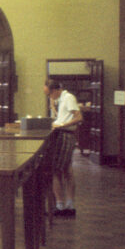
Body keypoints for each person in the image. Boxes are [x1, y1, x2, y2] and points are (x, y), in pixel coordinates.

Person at [43, 79, 83, 217]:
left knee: (57, 170)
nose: (49, 97)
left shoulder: (68, 98)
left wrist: (62, 126)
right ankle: (67, 205)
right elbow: (62, 116)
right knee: (66, 170)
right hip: (63, 134)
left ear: (54, 91)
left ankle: (61, 205)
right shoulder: (63, 99)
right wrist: (53, 107)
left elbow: (78, 117)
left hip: (65, 135)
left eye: (49, 94)